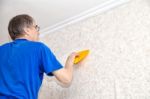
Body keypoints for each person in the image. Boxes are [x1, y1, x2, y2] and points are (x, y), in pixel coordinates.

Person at [0, 14, 78, 99]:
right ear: (27, 30)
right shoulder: (38, 48)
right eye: (36, 27)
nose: (38, 31)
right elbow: (66, 78)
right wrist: (70, 59)